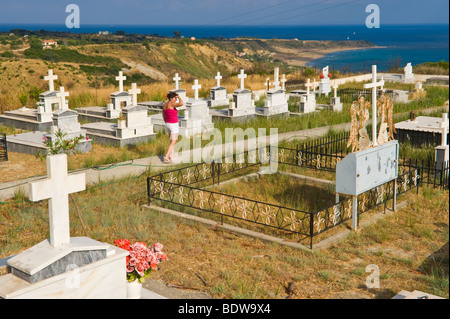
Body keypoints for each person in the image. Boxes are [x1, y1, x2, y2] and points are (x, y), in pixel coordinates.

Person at [162, 91, 184, 163]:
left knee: (172, 141)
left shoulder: (164, 104)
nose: (176, 99)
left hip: (167, 124)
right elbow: (181, 103)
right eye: (175, 98)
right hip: (173, 124)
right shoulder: (171, 103)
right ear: (171, 98)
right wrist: (179, 97)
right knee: (174, 141)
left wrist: (166, 122)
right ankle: (167, 156)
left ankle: (172, 155)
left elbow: (163, 115)